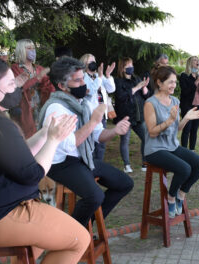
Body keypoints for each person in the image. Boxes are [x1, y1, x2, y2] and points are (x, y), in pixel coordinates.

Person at [0, 56, 90, 263]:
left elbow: (18, 155)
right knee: (79, 240)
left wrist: (44, 133)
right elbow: (32, 175)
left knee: (40, 242)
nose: (15, 90)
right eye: (11, 84)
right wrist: (53, 140)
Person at [38, 57, 134, 226]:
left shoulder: (82, 103)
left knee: (125, 183)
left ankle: (87, 225)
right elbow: (68, 144)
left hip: (82, 159)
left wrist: (114, 131)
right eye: (78, 80)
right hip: (60, 164)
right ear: (62, 86)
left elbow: (97, 135)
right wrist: (92, 122)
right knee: (95, 196)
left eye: (83, 78)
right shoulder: (56, 108)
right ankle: (73, 234)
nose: (84, 84)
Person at [144, 65, 199, 218]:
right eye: (170, 82)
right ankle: (170, 197)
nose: (173, 85)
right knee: (184, 169)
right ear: (159, 82)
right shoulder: (150, 103)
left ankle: (181, 194)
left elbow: (176, 129)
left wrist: (186, 118)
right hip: (155, 149)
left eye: (175, 82)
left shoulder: (175, 101)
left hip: (171, 146)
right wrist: (170, 120)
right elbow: (152, 132)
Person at [11, 39, 55, 138]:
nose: (33, 51)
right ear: (21, 50)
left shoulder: (39, 68)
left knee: (42, 136)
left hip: (40, 108)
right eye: (29, 48)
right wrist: (38, 78)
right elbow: (18, 88)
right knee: (27, 139)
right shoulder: (15, 68)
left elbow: (49, 88)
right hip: (24, 110)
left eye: (33, 48)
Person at [114, 57, 150, 172]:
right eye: (128, 66)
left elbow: (146, 96)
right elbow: (121, 96)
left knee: (146, 138)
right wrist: (137, 87)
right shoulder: (118, 81)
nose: (131, 68)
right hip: (125, 115)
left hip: (138, 115)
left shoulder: (137, 79)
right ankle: (127, 165)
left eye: (131, 65)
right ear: (123, 68)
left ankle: (145, 163)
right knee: (125, 140)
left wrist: (144, 88)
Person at [80, 53, 116, 160]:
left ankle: (99, 167)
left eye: (94, 61)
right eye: (89, 61)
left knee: (101, 144)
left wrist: (108, 76)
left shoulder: (98, 75)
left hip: (101, 115)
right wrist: (100, 78)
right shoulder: (82, 77)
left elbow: (111, 89)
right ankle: (90, 168)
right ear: (84, 64)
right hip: (90, 116)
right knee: (90, 144)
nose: (93, 64)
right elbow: (90, 91)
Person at [179, 56, 199, 151]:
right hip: (188, 106)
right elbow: (185, 92)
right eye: (195, 60)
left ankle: (192, 150)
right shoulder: (184, 76)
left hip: (198, 105)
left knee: (194, 130)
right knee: (187, 129)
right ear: (190, 63)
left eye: (198, 60)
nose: (197, 62)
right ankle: (184, 150)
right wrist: (196, 82)